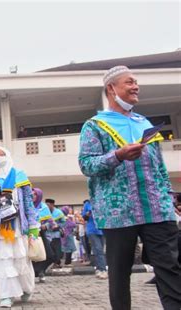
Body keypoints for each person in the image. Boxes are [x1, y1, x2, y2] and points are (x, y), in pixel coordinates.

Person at [78, 65, 181, 310]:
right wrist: (118, 156)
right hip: (117, 213)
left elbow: (160, 168)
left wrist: (168, 198)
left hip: (157, 210)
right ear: (111, 89)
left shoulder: (144, 122)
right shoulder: (94, 125)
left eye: (136, 82)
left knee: (171, 269)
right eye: (129, 82)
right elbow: (87, 164)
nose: (136, 87)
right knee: (120, 274)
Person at [0, 147, 38, 308]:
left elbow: (28, 202)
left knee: (20, 258)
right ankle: (6, 295)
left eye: (1, 155)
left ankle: (26, 288)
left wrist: (33, 224)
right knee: (2, 260)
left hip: (17, 225)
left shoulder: (19, 175)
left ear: (8, 156)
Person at [31, 188, 55, 283]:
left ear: (39, 196)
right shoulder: (26, 206)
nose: (32, 196)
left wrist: (47, 226)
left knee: (49, 255)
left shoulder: (44, 207)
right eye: (31, 194)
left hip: (41, 234)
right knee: (32, 254)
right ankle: (36, 274)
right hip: (29, 234)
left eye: (34, 194)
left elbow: (52, 222)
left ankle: (41, 270)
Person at [82, 200, 107, 279]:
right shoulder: (87, 204)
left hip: (102, 229)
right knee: (98, 249)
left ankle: (99, 268)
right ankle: (103, 270)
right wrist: (87, 214)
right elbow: (84, 217)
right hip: (92, 230)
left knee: (99, 250)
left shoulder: (103, 201)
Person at [45, 198, 65, 268]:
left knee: (57, 249)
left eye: (48, 205)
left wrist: (58, 226)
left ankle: (57, 262)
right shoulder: (45, 212)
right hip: (47, 234)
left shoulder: (59, 212)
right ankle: (53, 262)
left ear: (52, 204)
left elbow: (64, 222)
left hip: (56, 234)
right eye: (46, 205)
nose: (47, 206)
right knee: (50, 249)